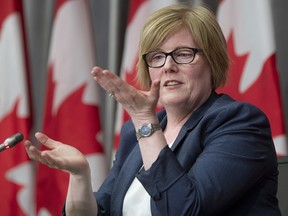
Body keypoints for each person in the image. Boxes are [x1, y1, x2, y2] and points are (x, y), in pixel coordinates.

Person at [24, 3, 281, 216]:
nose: (168, 66)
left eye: (182, 54)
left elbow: (184, 210)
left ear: (212, 61)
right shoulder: (133, 133)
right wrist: (80, 175)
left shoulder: (239, 123)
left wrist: (145, 122)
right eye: (157, 57)